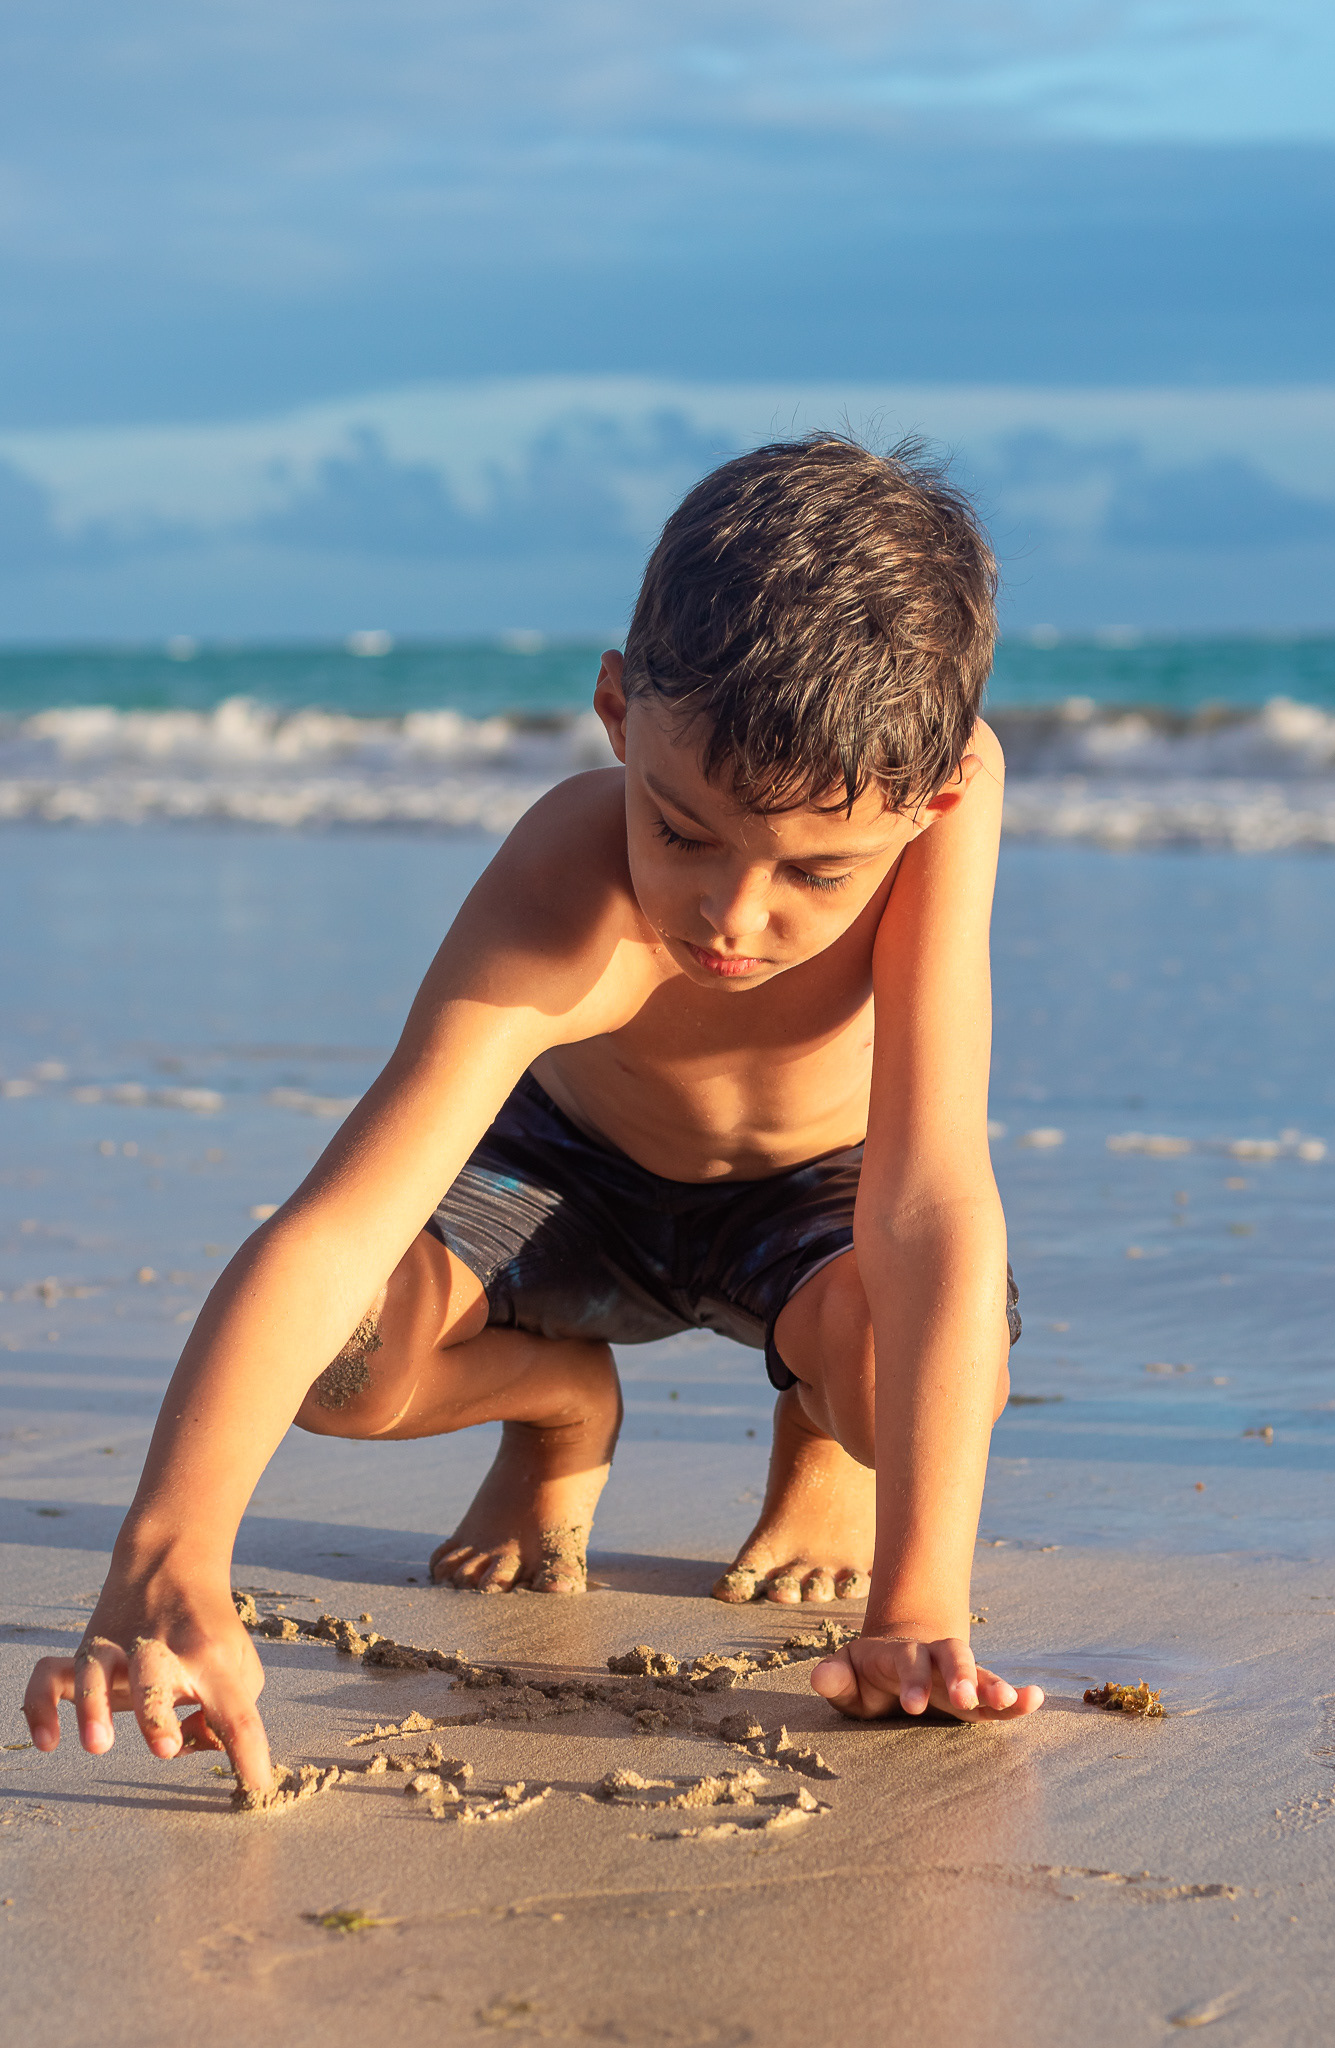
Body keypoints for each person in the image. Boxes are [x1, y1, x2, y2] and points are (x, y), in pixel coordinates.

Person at [23, 434, 1044, 1794]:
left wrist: (919, 1606)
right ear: (618, 711)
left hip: (813, 1199)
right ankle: (561, 1404)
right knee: (343, 1362)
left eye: (814, 872)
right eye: (681, 831)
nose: (731, 917)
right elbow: (337, 1229)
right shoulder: (564, 879)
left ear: (937, 797)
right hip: (561, 1179)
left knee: (916, 1378)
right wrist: (166, 1562)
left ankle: (820, 1436)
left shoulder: (940, 802)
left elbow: (926, 1201)